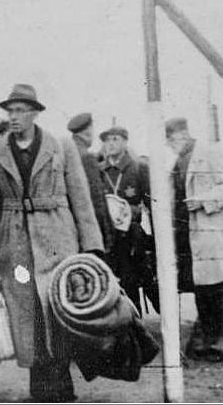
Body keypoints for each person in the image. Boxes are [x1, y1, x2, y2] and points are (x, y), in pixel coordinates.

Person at [0, 84, 104, 403]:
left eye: (20, 111)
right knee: (28, 314)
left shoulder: (60, 146)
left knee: (58, 307)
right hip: (16, 246)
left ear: (35, 113)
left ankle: (63, 387)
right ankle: (39, 388)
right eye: (10, 111)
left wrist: (91, 246)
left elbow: (81, 197)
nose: (14, 117)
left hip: (57, 240)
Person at [166, 117, 223, 362]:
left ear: (181, 135)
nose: (170, 145)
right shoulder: (179, 161)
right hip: (188, 232)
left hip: (212, 229)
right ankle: (206, 338)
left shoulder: (209, 152)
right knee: (200, 286)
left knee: (218, 284)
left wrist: (204, 201)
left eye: (171, 140)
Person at [98, 126, 158, 313]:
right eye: (107, 140)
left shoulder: (138, 168)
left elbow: (151, 204)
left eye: (115, 139)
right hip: (107, 237)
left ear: (125, 142)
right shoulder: (100, 171)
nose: (110, 144)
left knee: (131, 281)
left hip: (131, 237)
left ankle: (136, 327)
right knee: (109, 284)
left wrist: (156, 240)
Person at [67, 113, 114, 254]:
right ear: (87, 131)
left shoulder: (69, 152)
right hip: (88, 232)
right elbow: (96, 201)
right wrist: (106, 235)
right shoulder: (86, 157)